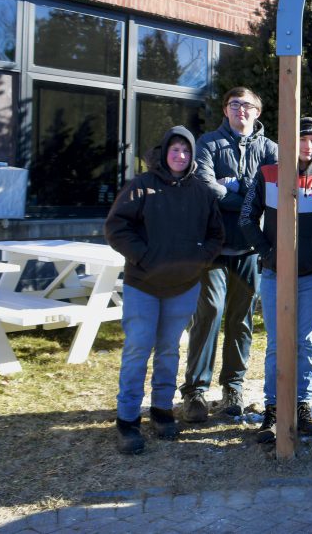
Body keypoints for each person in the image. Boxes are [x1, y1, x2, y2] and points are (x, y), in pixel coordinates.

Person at [105, 126, 225, 455]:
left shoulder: (201, 191)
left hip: (183, 286)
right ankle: (127, 419)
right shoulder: (140, 187)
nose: (180, 156)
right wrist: (144, 255)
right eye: (174, 150)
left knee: (169, 350)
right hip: (143, 284)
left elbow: (217, 233)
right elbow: (116, 227)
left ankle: (161, 410)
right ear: (163, 153)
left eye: (186, 151)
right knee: (137, 350)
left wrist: (198, 260)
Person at [239, 117, 312, 442]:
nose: (307, 146)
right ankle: (272, 409)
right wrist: (267, 251)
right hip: (273, 274)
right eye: (302, 139)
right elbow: (246, 217)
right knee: (276, 342)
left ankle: (301, 406)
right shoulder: (269, 174)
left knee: (306, 341)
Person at [180, 87, 278, 422]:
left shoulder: (269, 149)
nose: (240, 110)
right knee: (208, 313)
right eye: (234, 105)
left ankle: (232, 388)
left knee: (241, 320)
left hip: (250, 249)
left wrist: (236, 188)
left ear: (258, 112)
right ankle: (195, 391)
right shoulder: (208, 143)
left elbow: (269, 191)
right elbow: (206, 186)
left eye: (247, 105)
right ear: (226, 110)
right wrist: (245, 194)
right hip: (213, 248)